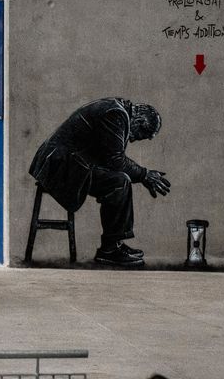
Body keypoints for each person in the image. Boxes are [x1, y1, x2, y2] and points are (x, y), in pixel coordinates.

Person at [29, 97, 170, 267]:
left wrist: (141, 175)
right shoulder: (116, 114)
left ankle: (115, 244)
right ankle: (110, 249)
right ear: (138, 121)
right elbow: (116, 160)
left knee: (118, 179)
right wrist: (144, 174)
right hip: (58, 167)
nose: (134, 140)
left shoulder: (117, 110)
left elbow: (108, 157)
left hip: (65, 163)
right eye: (140, 135)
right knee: (120, 182)